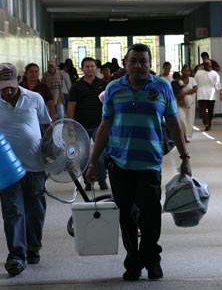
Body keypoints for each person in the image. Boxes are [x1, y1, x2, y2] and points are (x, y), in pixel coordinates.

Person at [86, 43, 191, 281]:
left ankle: (152, 259)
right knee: (126, 216)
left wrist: (185, 157)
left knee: (150, 215)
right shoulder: (113, 88)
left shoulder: (162, 87)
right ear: (125, 63)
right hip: (119, 163)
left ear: (150, 64)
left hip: (149, 163)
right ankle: (133, 261)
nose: (138, 66)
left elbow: (173, 123)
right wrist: (93, 162)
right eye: (133, 61)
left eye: (143, 61)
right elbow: (105, 126)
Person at [0, 62, 52, 276]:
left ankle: (33, 247)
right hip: (6, 170)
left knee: (35, 210)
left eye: (11, 84)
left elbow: (47, 126)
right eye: (3, 86)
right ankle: (16, 255)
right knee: (13, 211)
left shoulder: (34, 98)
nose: (8, 89)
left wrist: (53, 149)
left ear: (18, 80)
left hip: (36, 166)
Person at [66, 57, 109, 190]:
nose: (90, 68)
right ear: (82, 69)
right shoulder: (76, 87)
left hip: (100, 125)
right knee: (83, 156)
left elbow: (109, 105)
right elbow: (71, 106)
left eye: (92, 66)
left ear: (96, 68)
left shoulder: (104, 85)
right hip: (81, 126)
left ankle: (102, 179)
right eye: (87, 66)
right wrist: (70, 125)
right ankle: (88, 181)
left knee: (101, 154)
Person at [194, 60, 222, 131]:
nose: (209, 65)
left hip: (210, 94)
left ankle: (208, 123)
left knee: (209, 110)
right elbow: (195, 84)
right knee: (205, 110)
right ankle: (207, 124)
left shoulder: (214, 73)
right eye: (207, 64)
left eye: (209, 64)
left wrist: (220, 93)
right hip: (203, 93)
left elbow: (218, 84)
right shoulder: (199, 73)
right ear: (204, 65)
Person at [179, 64, 197, 140]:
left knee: (189, 120)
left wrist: (185, 93)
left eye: (188, 71)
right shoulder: (178, 80)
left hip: (191, 104)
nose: (186, 72)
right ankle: (183, 134)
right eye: (185, 71)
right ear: (182, 71)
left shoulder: (192, 80)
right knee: (182, 119)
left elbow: (195, 89)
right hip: (180, 104)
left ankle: (186, 135)